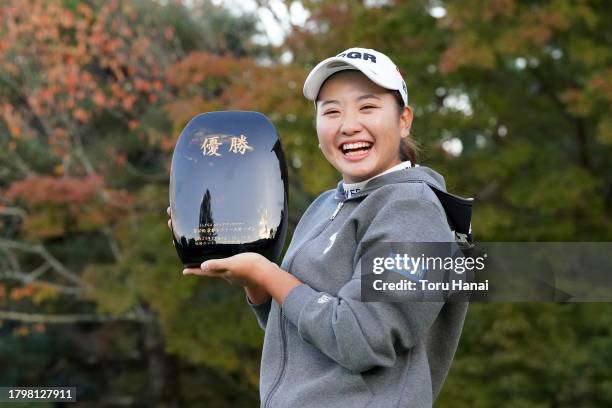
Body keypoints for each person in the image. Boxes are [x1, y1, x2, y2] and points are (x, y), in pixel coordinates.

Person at [168, 47, 468, 407]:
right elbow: (301, 333)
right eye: (331, 111)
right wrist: (256, 286)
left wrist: (269, 275)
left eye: (367, 107)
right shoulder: (325, 205)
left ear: (403, 120)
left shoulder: (415, 209)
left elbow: (362, 339)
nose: (348, 124)